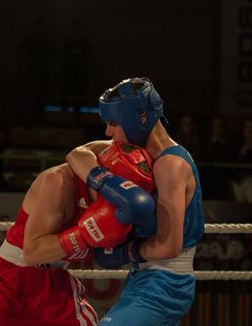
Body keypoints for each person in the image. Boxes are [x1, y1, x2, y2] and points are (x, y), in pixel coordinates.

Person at [66, 77, 205, 326]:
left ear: (141, 117)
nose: (108, 132)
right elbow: (77, 154)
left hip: (166, 281)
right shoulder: (135, 153)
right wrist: (106, 182)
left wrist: (125, 252)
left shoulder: (170, 165)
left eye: (113, 124)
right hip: (142, 277)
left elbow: (170, 246)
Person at [0, 141, 156, 326]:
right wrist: (84, 234)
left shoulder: (123, 210)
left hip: (55, 283)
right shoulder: (58, 182)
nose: (119, 205)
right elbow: (32, 252)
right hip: (10, 278)